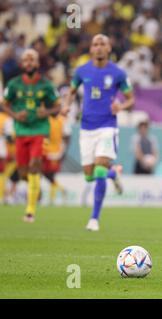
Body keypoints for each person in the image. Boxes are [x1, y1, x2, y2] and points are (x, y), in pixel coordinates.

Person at [63, 34, 134, 231]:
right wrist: (66, 106)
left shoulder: (118, 73)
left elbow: (130, 99)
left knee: (100, 168)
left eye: (103, 43)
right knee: (89, 175)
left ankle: (94, 219)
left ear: (109, 48)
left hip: (107, 126)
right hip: (86, 127)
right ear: (91, 49)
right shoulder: (81, 70)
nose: (99, 47)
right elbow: (71, 91)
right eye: (95, 44)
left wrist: (122, 105)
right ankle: (114, 174)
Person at [2, 49, 61, 222]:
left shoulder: (46, 85)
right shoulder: (14, 84)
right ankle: (36, 188)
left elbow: (58, 107)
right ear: (22, 64)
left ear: (37, 63)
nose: (29, 62)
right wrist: (15, 115)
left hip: (39, 130)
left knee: (35, 163)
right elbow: (4, 104)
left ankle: (30, 210)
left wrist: (47, 111)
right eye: (26, 59)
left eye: (32, 59)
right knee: (22, 173)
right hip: (21, 131)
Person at [42, 114, 70, 205]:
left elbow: (66, 137)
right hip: (48, 151)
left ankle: (53, 198)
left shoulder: (62, 120)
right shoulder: (49, 119)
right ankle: (61, 191)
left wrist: (63, 152)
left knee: (50, 176)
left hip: (54, 152)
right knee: (49, 175)